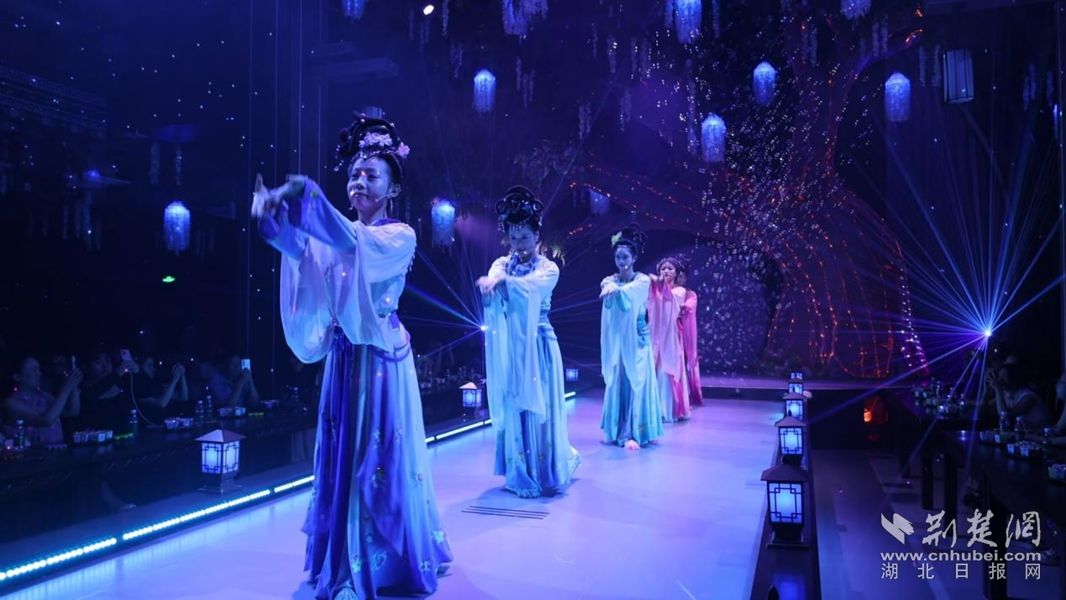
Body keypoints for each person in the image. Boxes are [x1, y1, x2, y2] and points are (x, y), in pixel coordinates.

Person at [253, 112, 451, 600]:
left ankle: (378, 564)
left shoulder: (398, 236)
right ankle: (341, 557)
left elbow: (348, 241)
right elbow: (305, 256)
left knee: (375, 458)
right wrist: (272, 224)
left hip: (380, 360)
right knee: (340, 456)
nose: (360, 181)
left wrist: (307, 198)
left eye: (372, 175)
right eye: (355, 174)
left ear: (392, 188)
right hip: (344, 358)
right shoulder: (337, 232)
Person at [477, 185, 580, 498]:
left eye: (525, 237)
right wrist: (493, 283)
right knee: (514, 401)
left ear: (537, 236)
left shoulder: (548, 269)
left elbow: (531, 289)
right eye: (514, 237)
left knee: (540, 403)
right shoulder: (502, 264)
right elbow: (494, 279)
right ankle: (519, 471)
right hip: (512, 345)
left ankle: (545, 471)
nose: (519, 243)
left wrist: (504, 283)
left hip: (540, 344)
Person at [599, 226, 664, 450]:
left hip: (637, 340)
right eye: (618, 257)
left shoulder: (642, 280)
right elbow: (607, 286)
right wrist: (610, 288)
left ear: (634, 258)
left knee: (637, 381)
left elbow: (630, 297)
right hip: (619, 341)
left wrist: (616, 291)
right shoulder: (610, 280)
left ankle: (637, 430)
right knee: (620, 381)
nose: (621, 261)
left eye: (625, 257)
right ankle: (620, 430)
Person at [647, 257, 691, 422]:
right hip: (654, 333)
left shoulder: (680, 291)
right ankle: (651, 410)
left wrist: (659, 285)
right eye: (663, 268)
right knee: (653, 366)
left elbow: (670, 302)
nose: (666, 271)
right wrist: (653, 286)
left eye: (670, 268)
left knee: (667, 368)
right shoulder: (654, 290)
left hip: (670, 334)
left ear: (677, 273)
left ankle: (667, 410)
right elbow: (650, 304)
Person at [3, 355, 81, 445]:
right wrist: (66, 388)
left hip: (55, 451)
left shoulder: (44, 396)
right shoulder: (11, 403)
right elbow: (46, 420)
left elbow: (72, 412)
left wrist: (73, 386)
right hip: (31, 453)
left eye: (39, 369)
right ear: (17, 377)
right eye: (34, 370)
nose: (39, 373)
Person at [987, 362, 1050, 432]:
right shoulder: (1006, 394)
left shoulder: (1028, 396)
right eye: (999, 376)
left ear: (1014, 379)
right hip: (1027, 434)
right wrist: (985, 390)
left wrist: (998, 390)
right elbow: (986, 407)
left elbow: (1005, 416)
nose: (1000, 379)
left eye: (1004, 376)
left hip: (1043, 434)